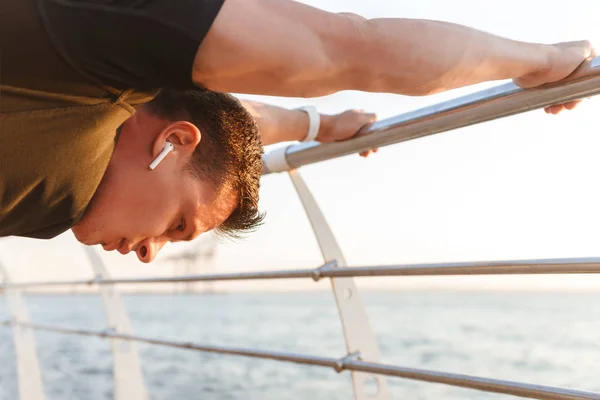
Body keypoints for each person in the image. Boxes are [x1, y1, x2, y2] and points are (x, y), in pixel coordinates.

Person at [0, 0, 595, 263]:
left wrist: (318, 124)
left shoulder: (67, 185)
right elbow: (345, 49)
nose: (150, 253)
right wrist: (539, 59)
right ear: (172, 144)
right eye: (178, 225)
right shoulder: (84, 64)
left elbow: (231, 119)